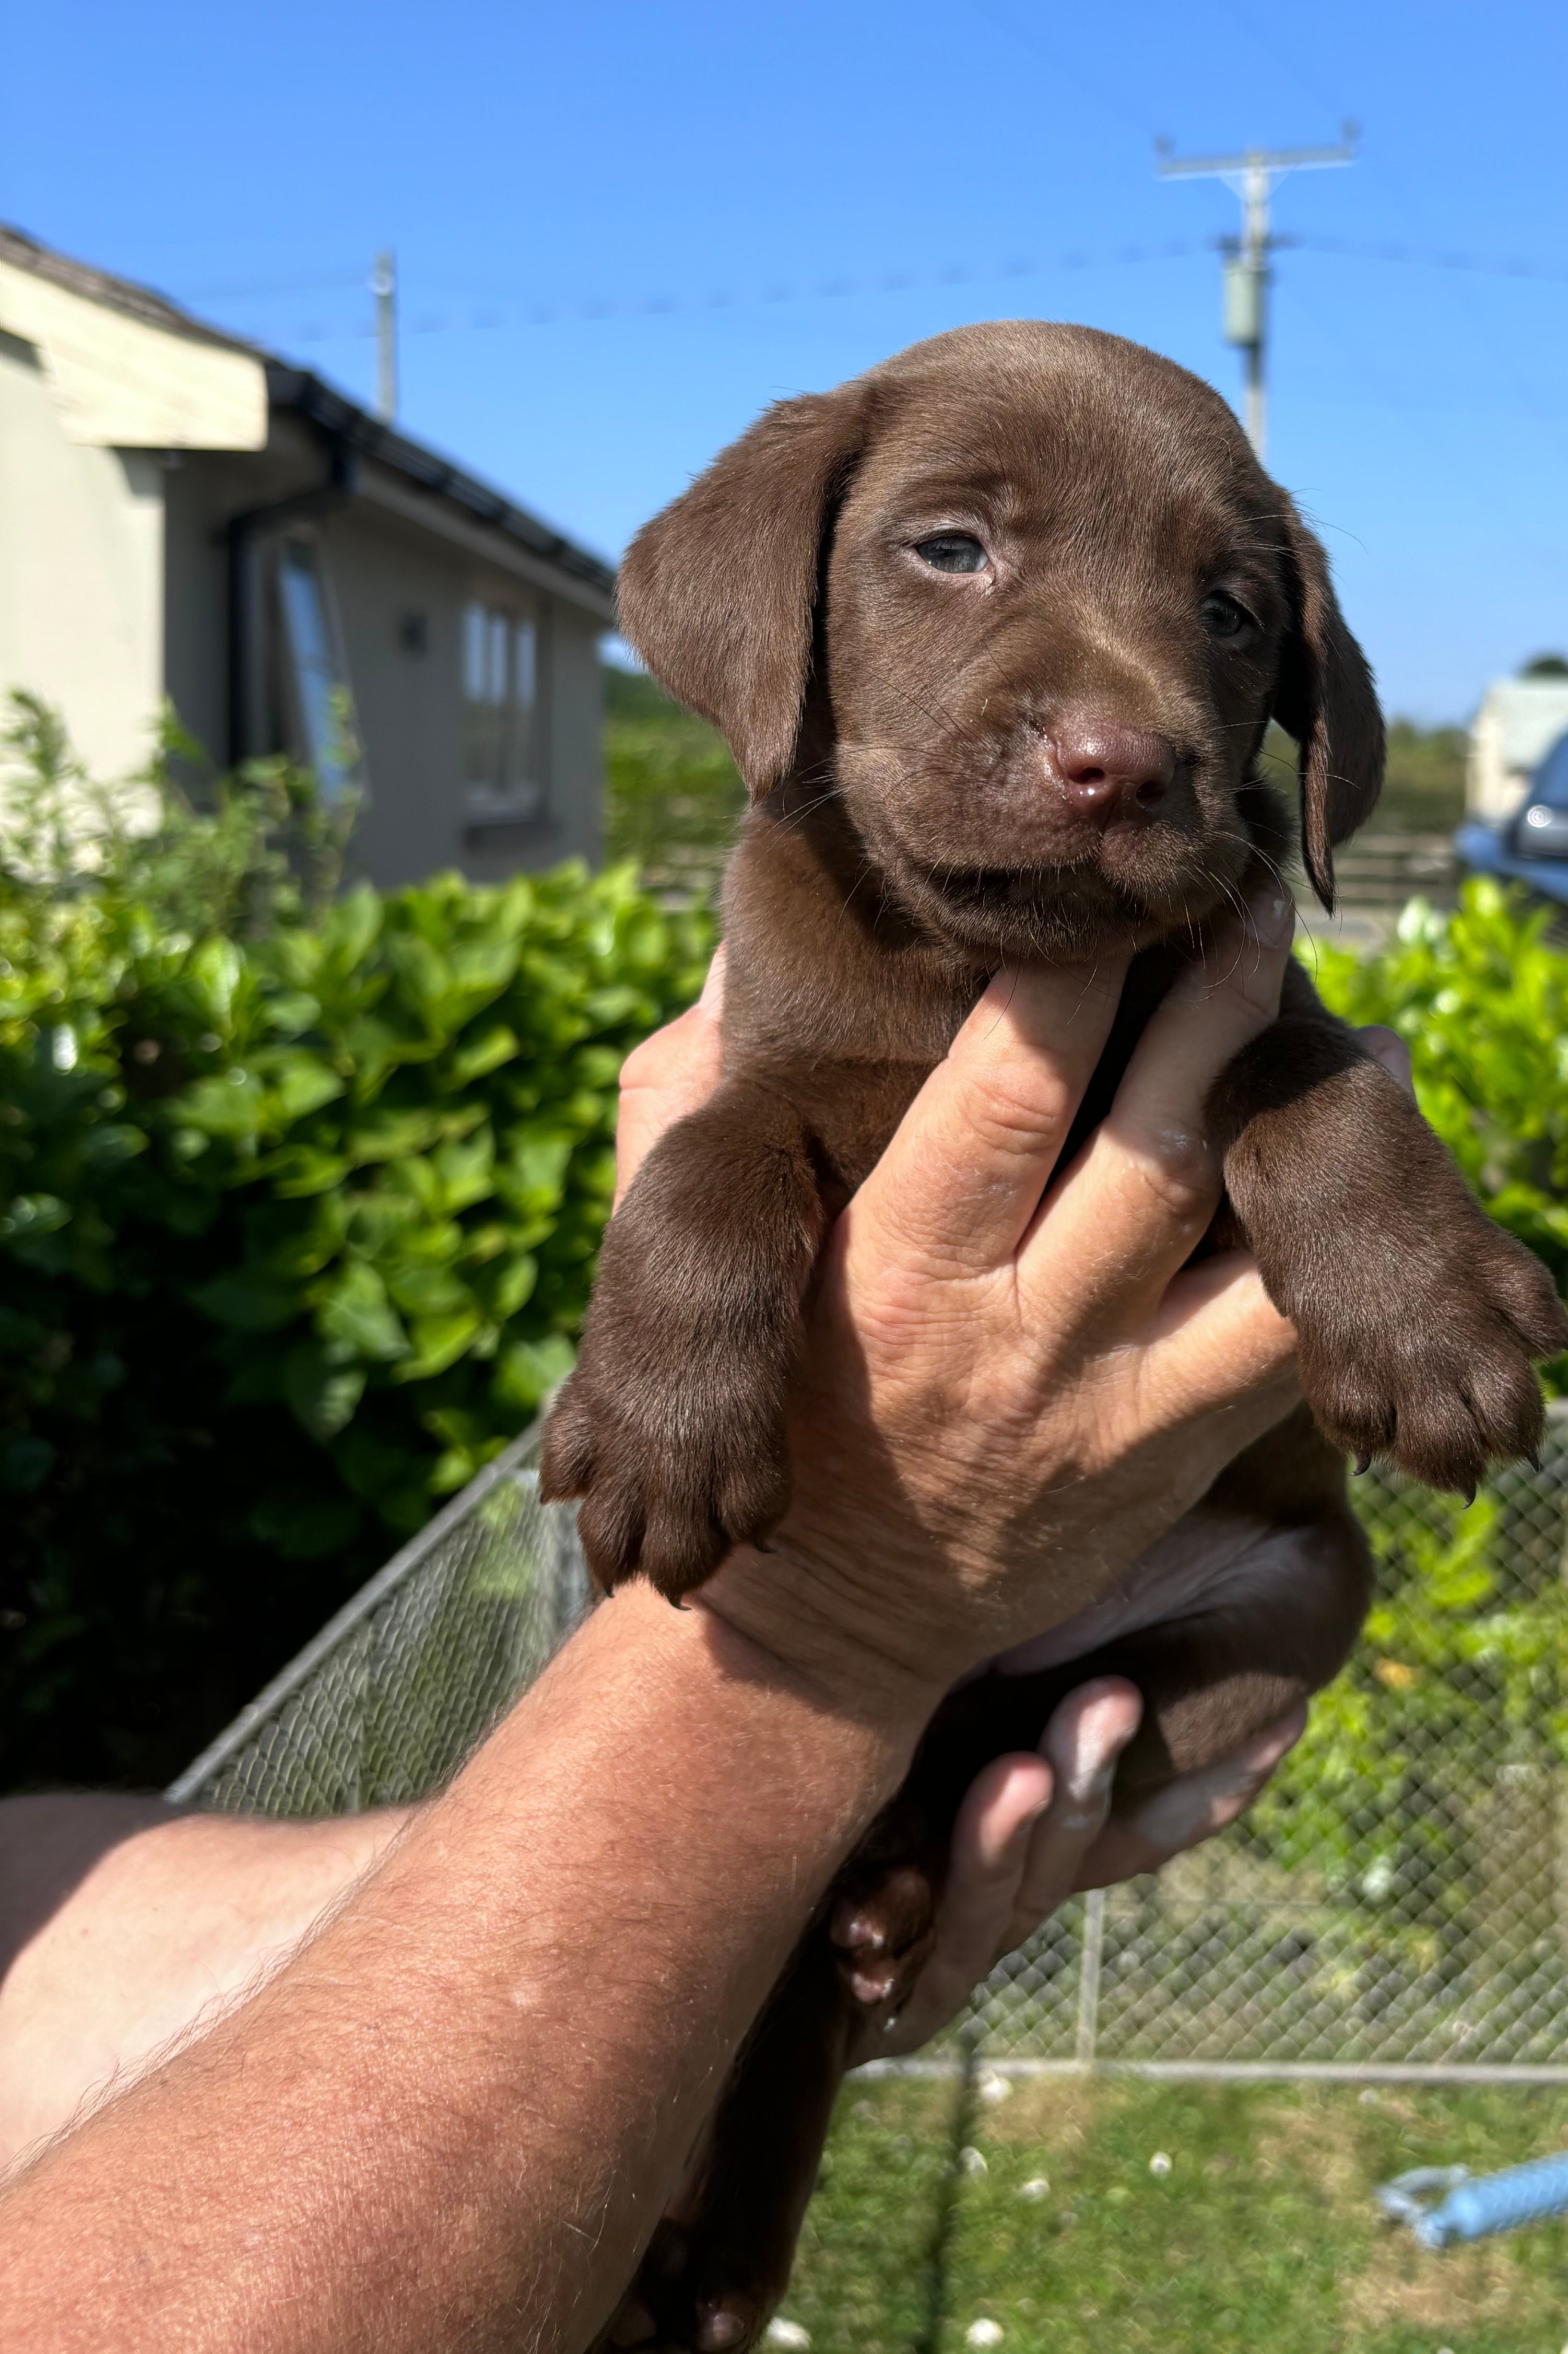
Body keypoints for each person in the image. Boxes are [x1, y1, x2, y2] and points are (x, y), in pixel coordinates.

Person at [0, 897, 1382, 2352]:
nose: (1111, 732)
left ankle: (779, 2053)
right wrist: (811, 1634)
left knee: (834, 1927)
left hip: (1165, 1611)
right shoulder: (816, 910)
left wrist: (686, 1883)